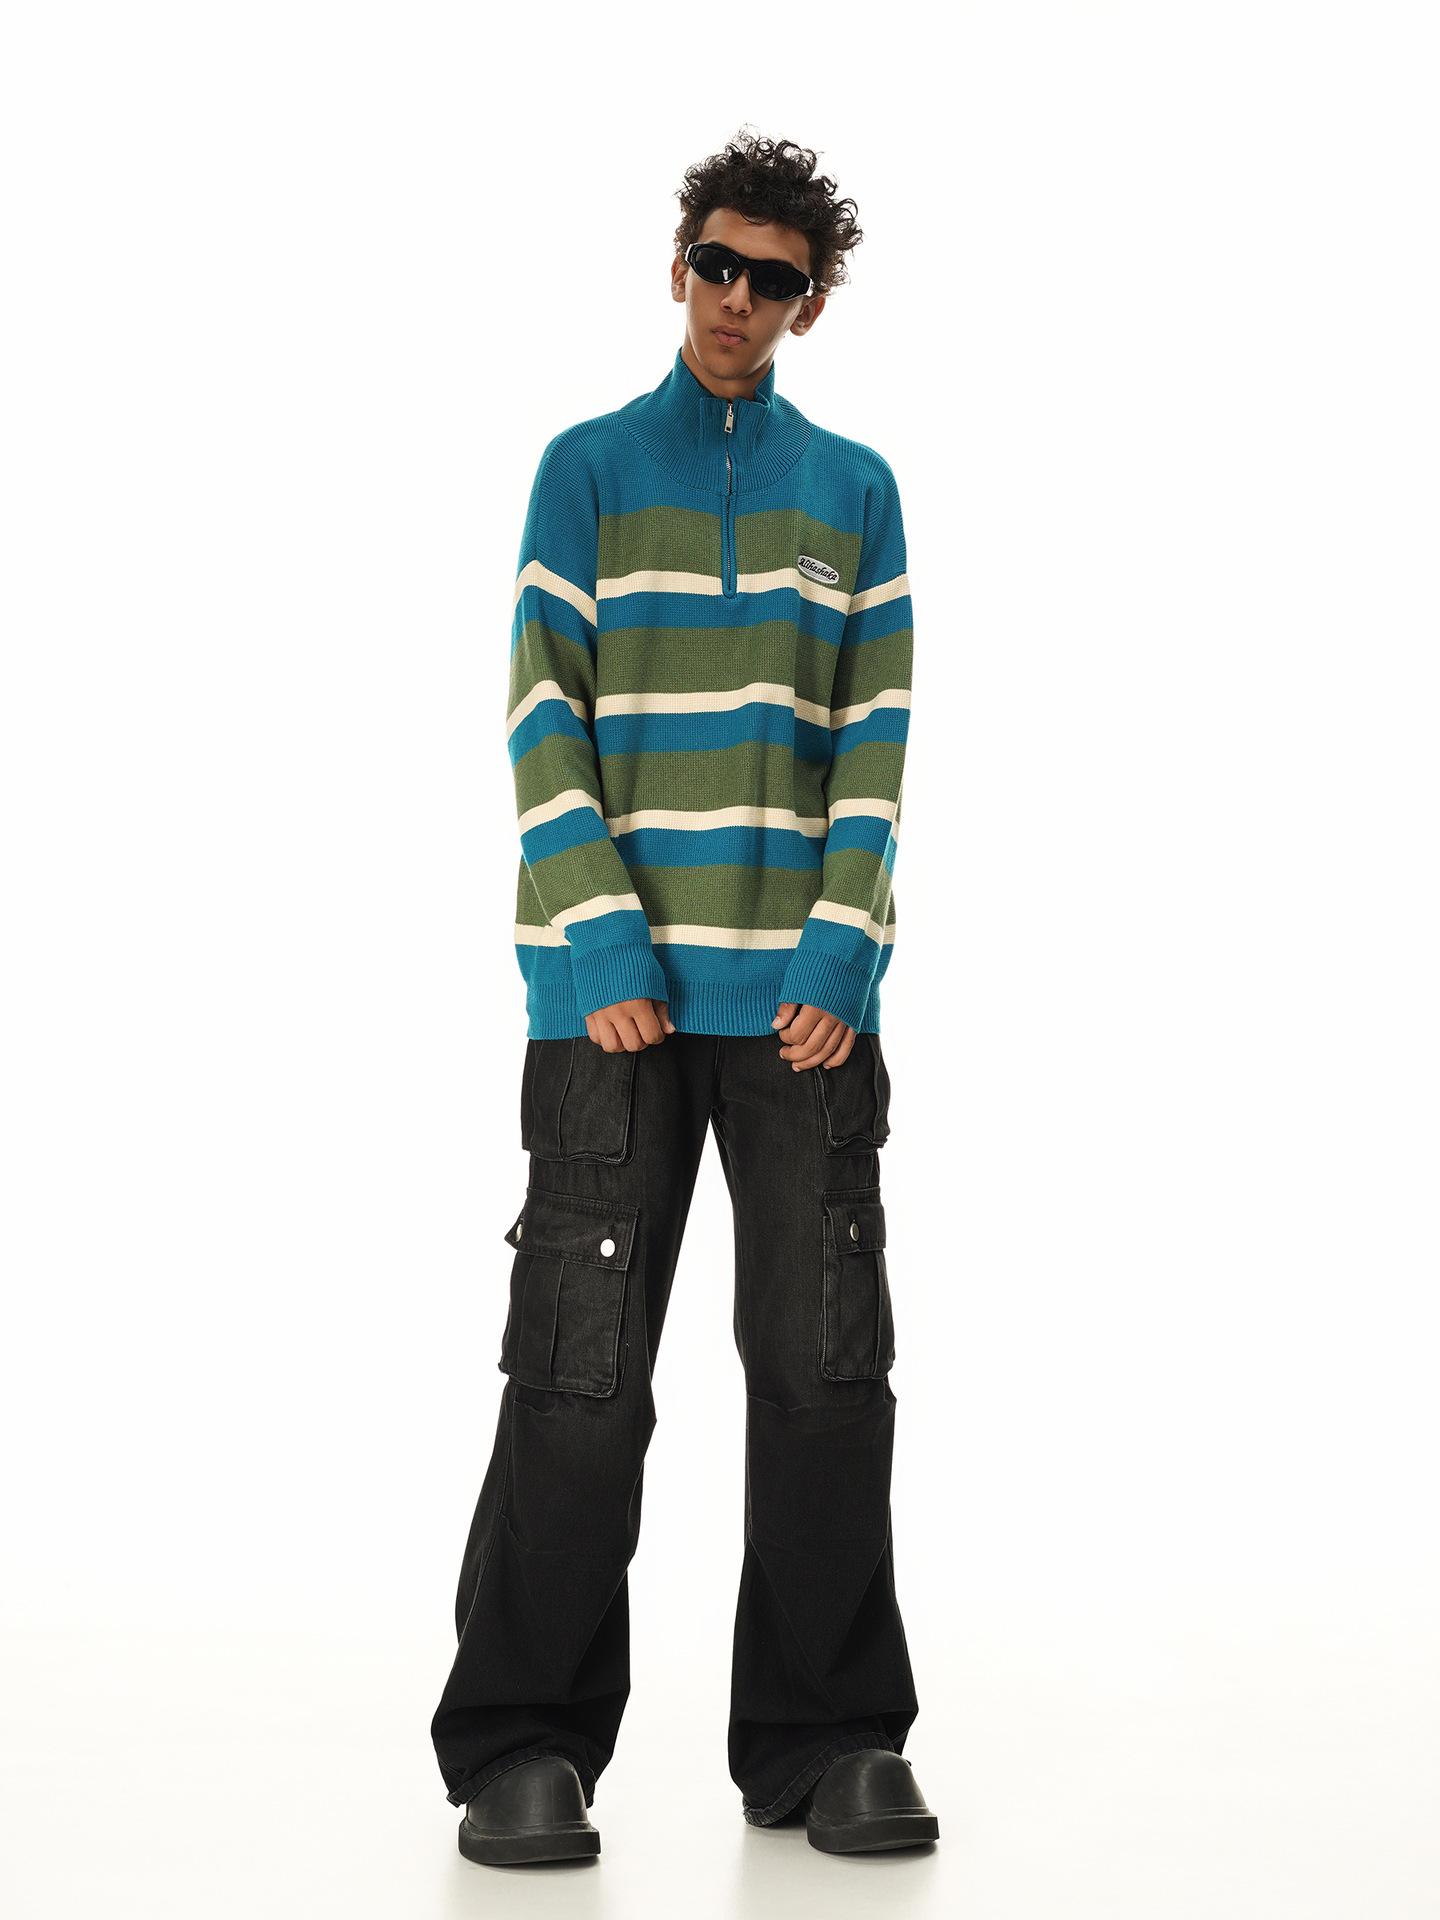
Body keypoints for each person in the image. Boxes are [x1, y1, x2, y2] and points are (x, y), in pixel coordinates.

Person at [430, 128, 936, 1865]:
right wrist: (602, 948)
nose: (737, 298)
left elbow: (876, 739)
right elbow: (540, 714)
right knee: (578, 1382)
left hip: (801, 1010)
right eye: (717, 265)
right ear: (678, 269)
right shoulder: (583, 471)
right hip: (610, 1009)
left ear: (811, 303)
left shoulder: (855, 492)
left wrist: (839, 954)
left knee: (826, 1375)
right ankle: (522, 1743)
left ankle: (828, 1739)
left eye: (773, 279)